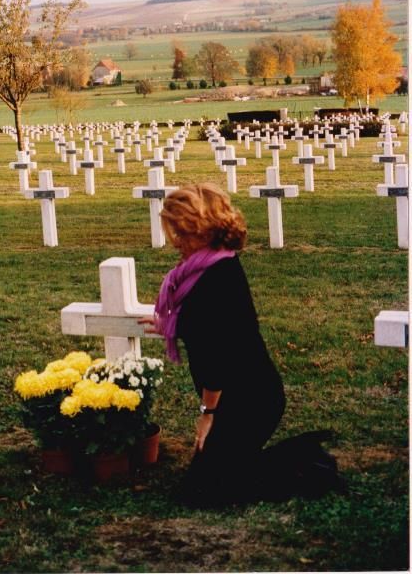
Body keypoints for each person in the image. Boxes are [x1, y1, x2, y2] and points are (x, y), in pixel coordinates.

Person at [139, 182, 344, 507]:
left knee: (205, 495)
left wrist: (207, 415)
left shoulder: (216, 278)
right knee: (204, 486)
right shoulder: (212, 265)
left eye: (182, 232)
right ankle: (255, 462)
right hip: (239, 397)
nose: (176, 241)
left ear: (205, 230)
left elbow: (216, 358)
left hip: (252, 401)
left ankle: (307, 463)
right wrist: (172, 324)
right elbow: (203, 324)